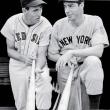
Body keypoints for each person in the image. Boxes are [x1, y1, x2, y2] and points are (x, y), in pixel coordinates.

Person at [48, 0, 109, 109]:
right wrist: (64, 58)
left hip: (85, 68)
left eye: (71, 6)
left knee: (93, 61)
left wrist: (72, 53)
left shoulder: (94, 21)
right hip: (67, 70)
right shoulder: (58, 24)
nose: (67, 10)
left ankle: (94, 108)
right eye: (65, 6)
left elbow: (99, 50)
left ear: (82, 5)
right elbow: (51, 54)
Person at [0, 0, 53, 110]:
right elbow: (10, 50)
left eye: (41, 9)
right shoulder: (12, 22)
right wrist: (23, 58)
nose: (40, 13)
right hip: (18, 64)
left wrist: (38, 68)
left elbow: (42, 53)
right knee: (22, 103)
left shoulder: (46, 24)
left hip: (39, 62)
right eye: (35, 10)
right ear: (24, 10)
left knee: (45, 91)